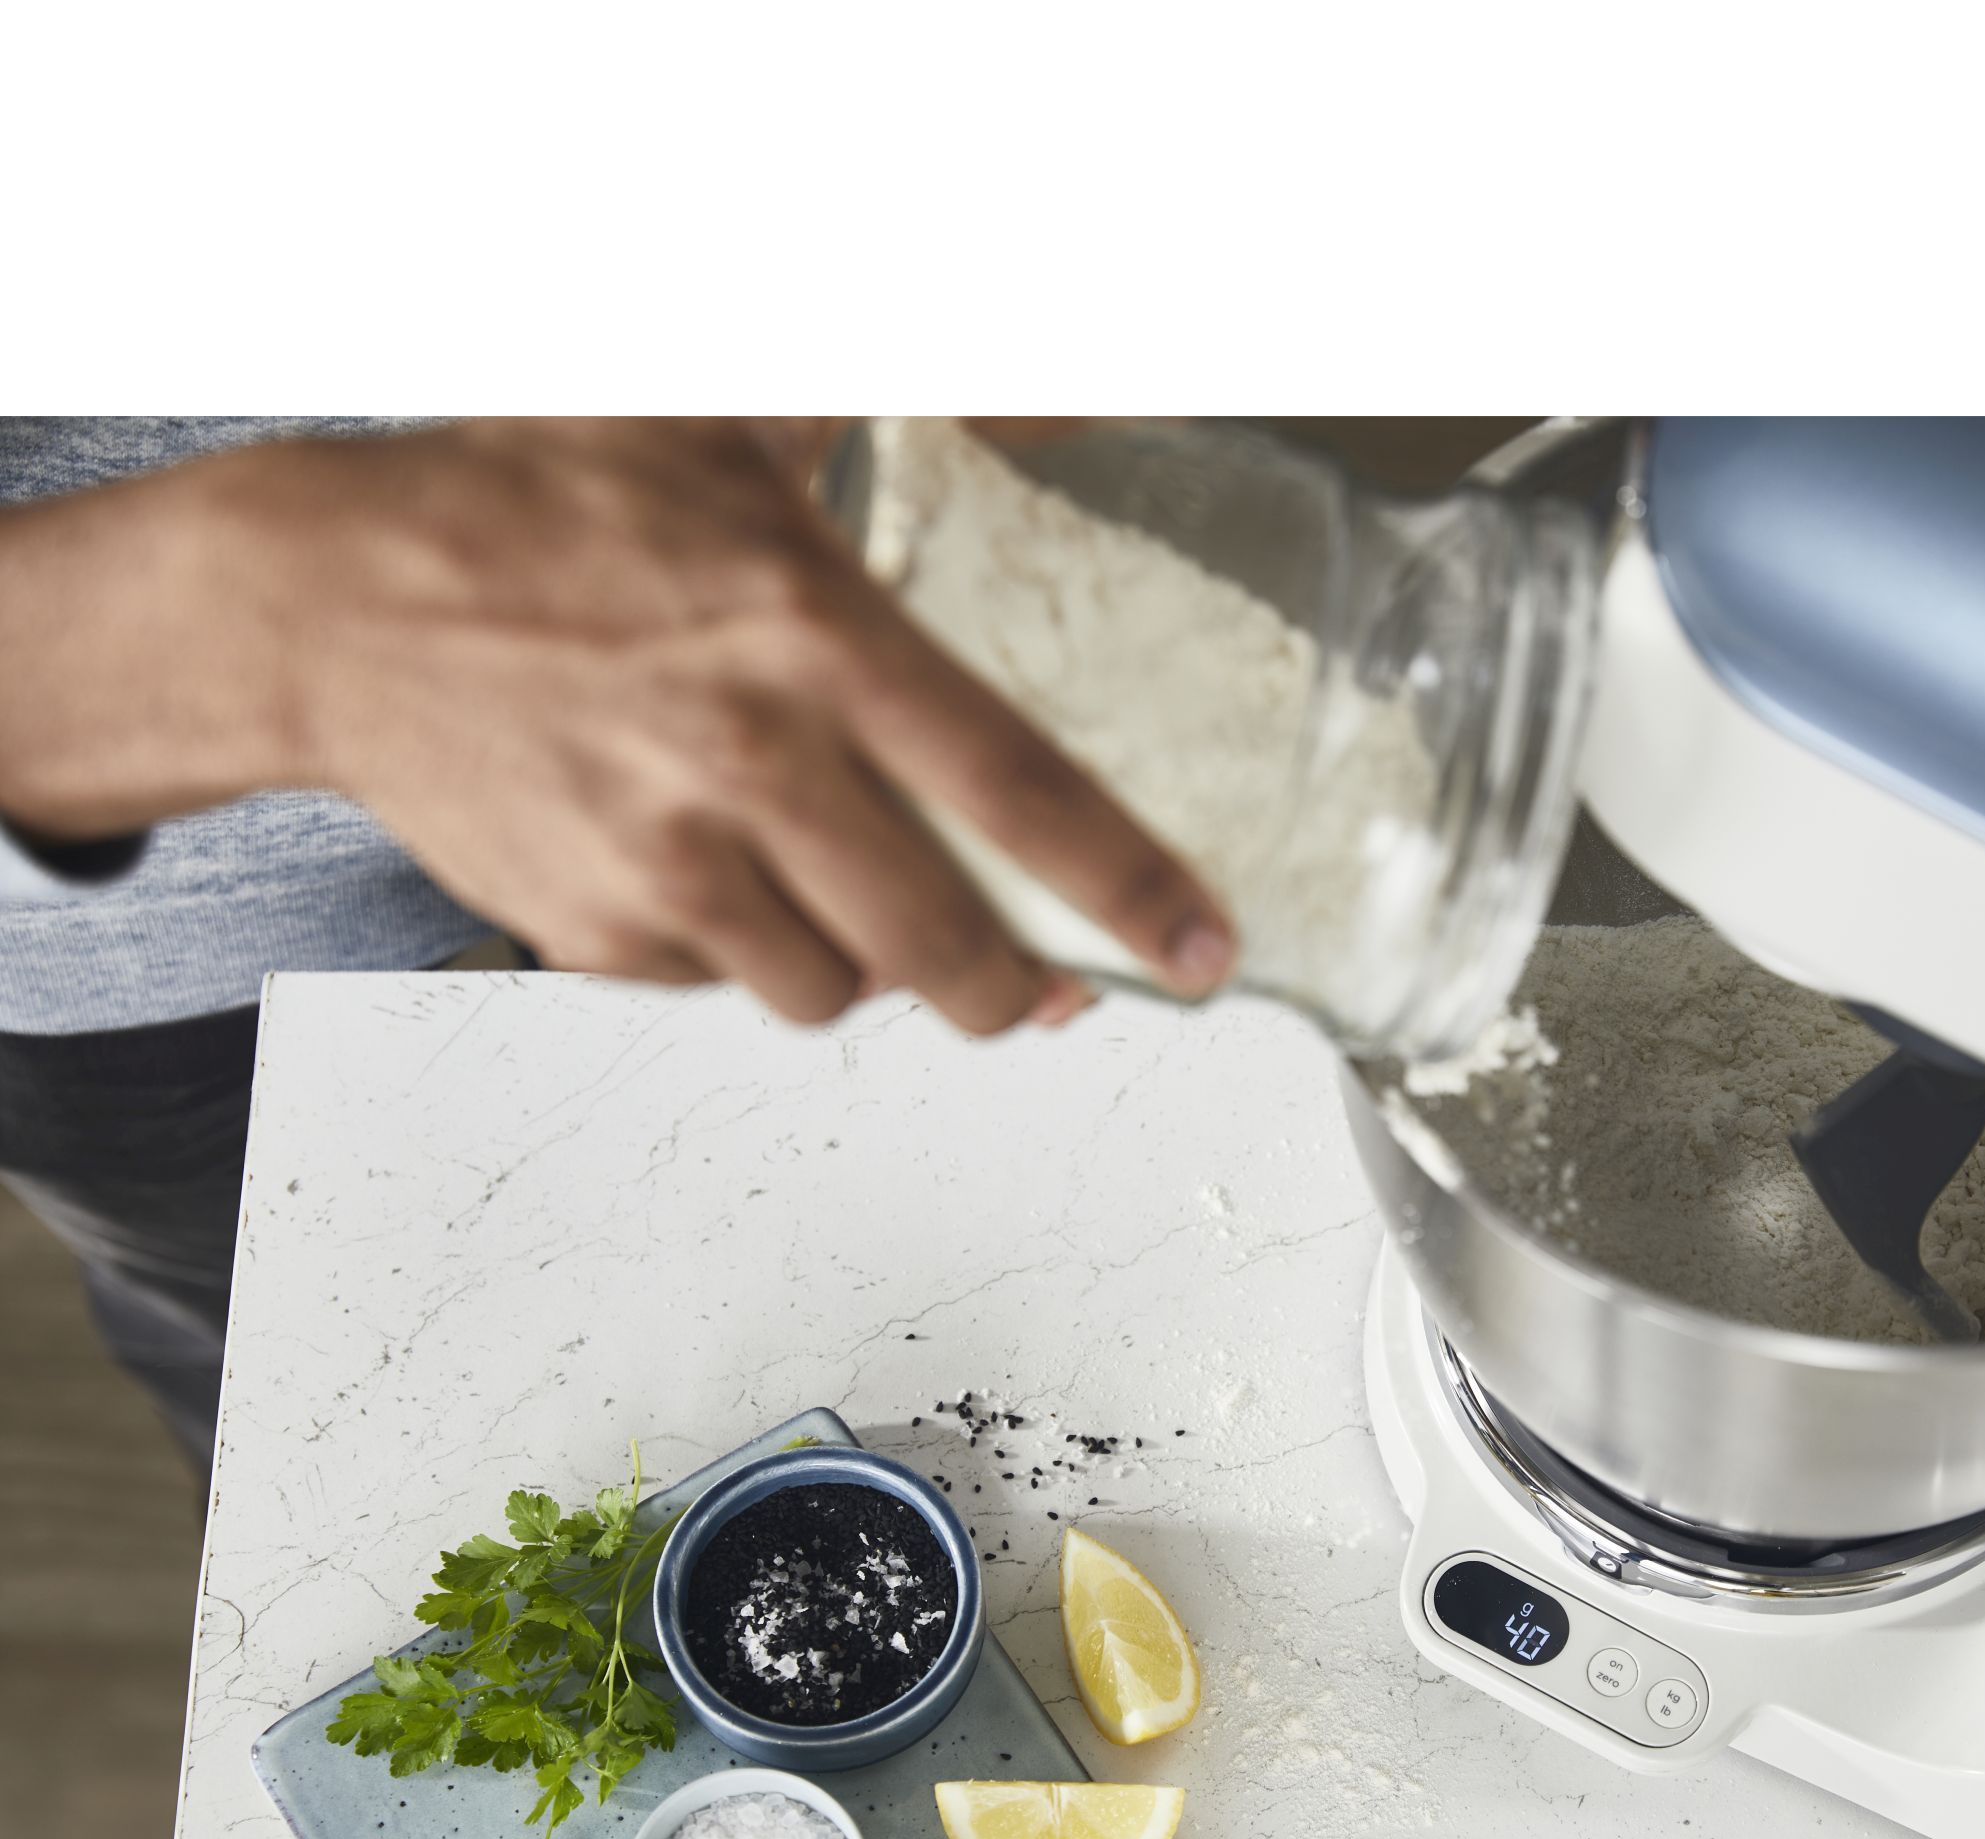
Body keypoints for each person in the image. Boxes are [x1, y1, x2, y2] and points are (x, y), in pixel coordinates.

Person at [0, 417, 1235, 1473]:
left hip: (811, 644)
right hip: (121, 894)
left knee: (815, 1230)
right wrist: (291, 623)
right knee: (291, 1350)